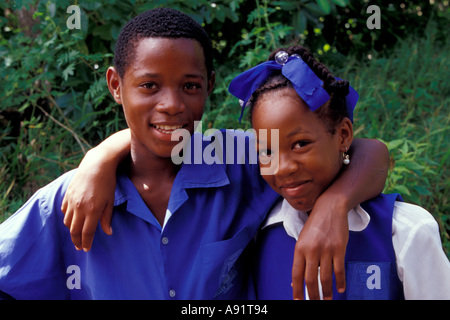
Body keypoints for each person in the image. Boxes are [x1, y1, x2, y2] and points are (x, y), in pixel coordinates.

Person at [0, 8, 388, 300]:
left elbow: (368, 152)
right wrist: (97, 160)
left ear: (209, 87)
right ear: (116, 86)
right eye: (149, 85)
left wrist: (333, 206)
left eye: (189, 86)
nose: (171, 105)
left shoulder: (238, 161)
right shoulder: (71, 199)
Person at [227, 45, 450, 299]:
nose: (282, 167)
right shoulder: (258, 233)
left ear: (343, 135)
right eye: (266, 151)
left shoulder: (405, 232)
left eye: (300, 144)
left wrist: (334, 204)